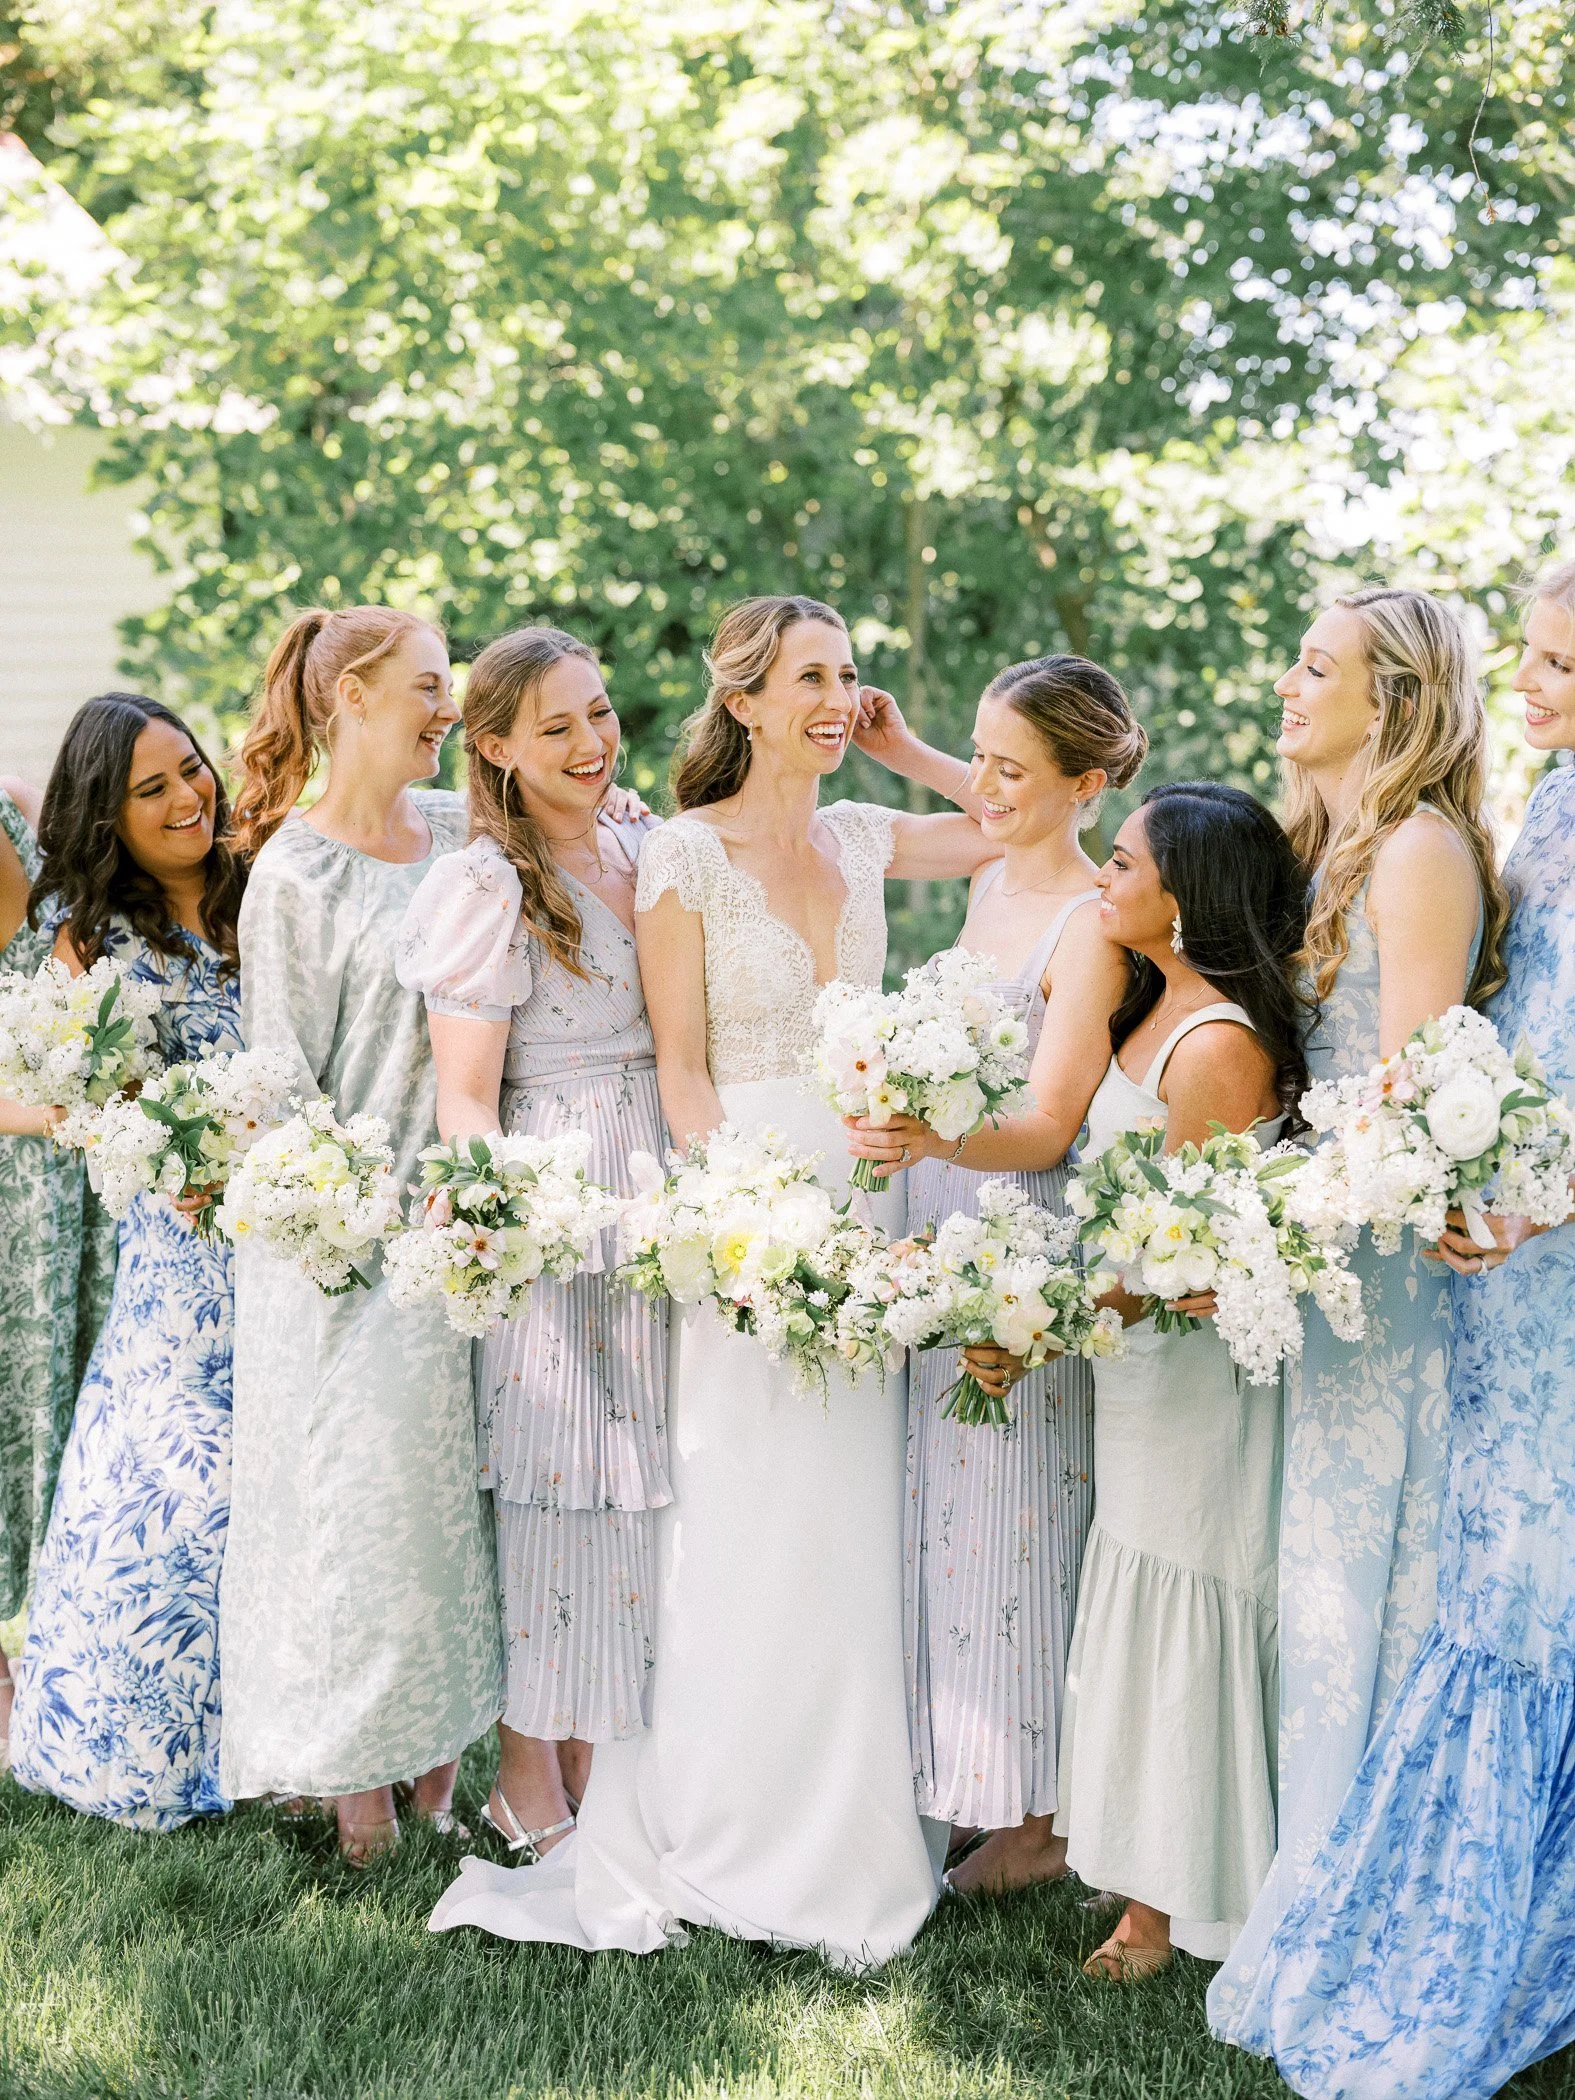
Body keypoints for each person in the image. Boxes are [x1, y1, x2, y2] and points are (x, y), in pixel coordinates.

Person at [430, 592, 993, 1968]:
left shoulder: (863, 837)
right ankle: (710, 1827)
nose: (834, 696)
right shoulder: (678, 854)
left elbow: (1016, 820)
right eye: (810, 675)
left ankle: (850, 1835)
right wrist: (735, 1227)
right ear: (740, 702)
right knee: (738, 1522)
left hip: (867, 1205)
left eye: (847, 674)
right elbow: (678, 1069)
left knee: (851, 1521)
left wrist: (908, 741)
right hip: (739, 1212)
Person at [1219, 559, 1575, 2098]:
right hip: (1450, 1242)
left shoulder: (1431, 847)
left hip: (1472, 1259)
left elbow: (1428, 1075)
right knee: (1365, 1568)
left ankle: (1391, 1901)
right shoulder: (1540, 814)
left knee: (1437, 1575)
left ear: (1392, 698)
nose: (1535, 685)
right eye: (1536, 656)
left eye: (1562, 663)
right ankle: (1330, 1878)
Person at [986, 782, 1304, 1977]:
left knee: (1185, 1595)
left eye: (1122, 865)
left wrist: (1033, 1324)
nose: (1102, 882)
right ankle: (1135, 1868)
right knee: (1138, 1589)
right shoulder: (1152, 1006)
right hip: (1136, 1371)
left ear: (1185, 899)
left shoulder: (1216, 1046)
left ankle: (1165, 1913)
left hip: (1191, 1379)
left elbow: (1169, 1261)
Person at [843, 655, 1144, 1894]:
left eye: (1014, 768)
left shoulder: (1089, 927)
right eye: (980, 754)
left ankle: (1039, 1816)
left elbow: (1051, 1122)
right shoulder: (994, 870)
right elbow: (980, 809)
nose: (986, 782)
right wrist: (906, 749)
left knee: (1015, 1512)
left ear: (1085, 784)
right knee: (950, 1510)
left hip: (1015, 1234)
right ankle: (973, 1774)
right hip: (944, 1216)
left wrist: (926, 1135)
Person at [218, 606, 503, 1865]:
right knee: (359, 1516)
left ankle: (437, 1788)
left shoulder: (456, 832)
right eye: (432, 687)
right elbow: (278, 1082)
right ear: (351, 699)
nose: (451, 708)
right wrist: (343, 1222)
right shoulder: (294, 872)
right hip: (338, 1243)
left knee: (448, 1523)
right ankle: (357, 1803)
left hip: (461, 1237)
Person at [395, 624, 668, 1862]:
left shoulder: (646, 845)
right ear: (495, 748)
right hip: (557, 1183)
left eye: (600, 714)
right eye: (554, 727)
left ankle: (619, 1757)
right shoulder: (485, 885)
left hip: (665, 1178)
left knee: (648, 1484)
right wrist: (504, 1210)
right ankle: (523, 1776)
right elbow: (466, 1094)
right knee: (558, 1477)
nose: (591, 744)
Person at [8, 696, 246, 1827]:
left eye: (191, 771)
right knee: (175, 1506)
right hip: (176, 1261)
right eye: (151, 790)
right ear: (108, 811)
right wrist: (118, 1132)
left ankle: (297, 1747)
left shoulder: (269, 886)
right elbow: (38, 1088)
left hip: (307, 1229)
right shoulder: (82, 929)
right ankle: (138, 1749)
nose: (187, 800)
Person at [0, 774, 116, 1770]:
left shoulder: (24, 809)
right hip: (22, 1169)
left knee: (72, 1398)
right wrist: (55, 1116)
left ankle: (66, 1661)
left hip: (84, 1195)